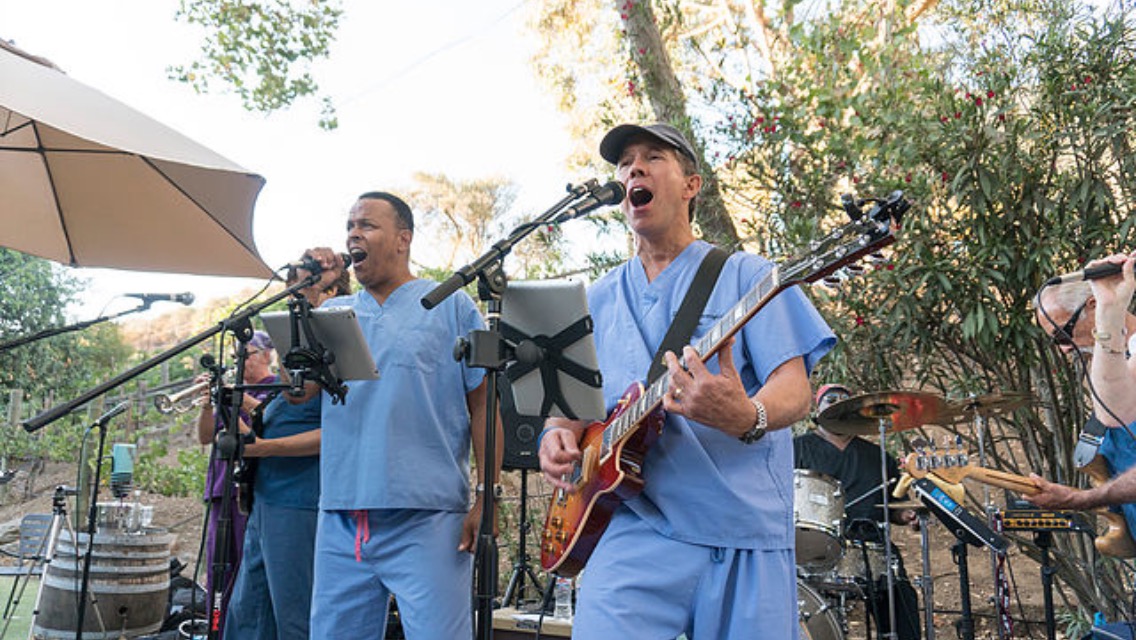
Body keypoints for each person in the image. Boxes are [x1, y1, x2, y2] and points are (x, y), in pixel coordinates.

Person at [538, 122, 835, 639]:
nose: (635, 167)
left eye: (653, 156)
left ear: (691, 185)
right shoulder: (596, 300)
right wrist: (553, 436)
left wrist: (748, 415)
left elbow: (794, 388)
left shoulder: (749, 275)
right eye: (626, 160)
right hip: (634, 526)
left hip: (742, 532)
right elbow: (569, 408)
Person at [300, 191, 500, 639]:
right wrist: (304, 292)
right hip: (341, 518)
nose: (354, 233)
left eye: (367, 225)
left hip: (427, 518)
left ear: (403, 239)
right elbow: (300, 395)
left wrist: (487, 496)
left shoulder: (450, 304)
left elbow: (484, 404)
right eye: (350, 226)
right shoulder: (332, 313)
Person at [223, 268, 351, 639]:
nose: (299, 291)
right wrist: (234, 401)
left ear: (334, 293)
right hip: (266, 499)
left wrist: (263, 448)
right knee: (248, 610)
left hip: (299, 501)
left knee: (293, 612)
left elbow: (338, 433)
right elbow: (286, 409)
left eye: (310, 284)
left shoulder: (339, 352)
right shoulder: (293, 342)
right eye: (294, 283)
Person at [794, 383, 921, 640]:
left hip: (870, 547)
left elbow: (895, 505)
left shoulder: (878, 456)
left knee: (902, 599)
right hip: (811, 551)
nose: (838, 405)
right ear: (818, 411)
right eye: (831, 401)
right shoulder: (796, 449)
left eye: (845, 402)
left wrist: (907, 515)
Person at [1029, 255, 1136, 519]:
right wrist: (1110, 310)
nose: (1065, 349)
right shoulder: (1113, 361)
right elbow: (1113, 413)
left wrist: (1078, 498)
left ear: (1091, 305)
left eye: (1064, 334)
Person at [195, 329, 278, 635]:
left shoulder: (275, 390)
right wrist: (208, 404)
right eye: (235, 358)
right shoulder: (233, 391)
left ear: (267, 355)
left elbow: (257, 433)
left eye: (247, 355)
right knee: (218, 571)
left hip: (249, 494)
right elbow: (206, 437)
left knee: (245, 573)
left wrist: (238, 402)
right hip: (220, 491)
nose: (239, 363)